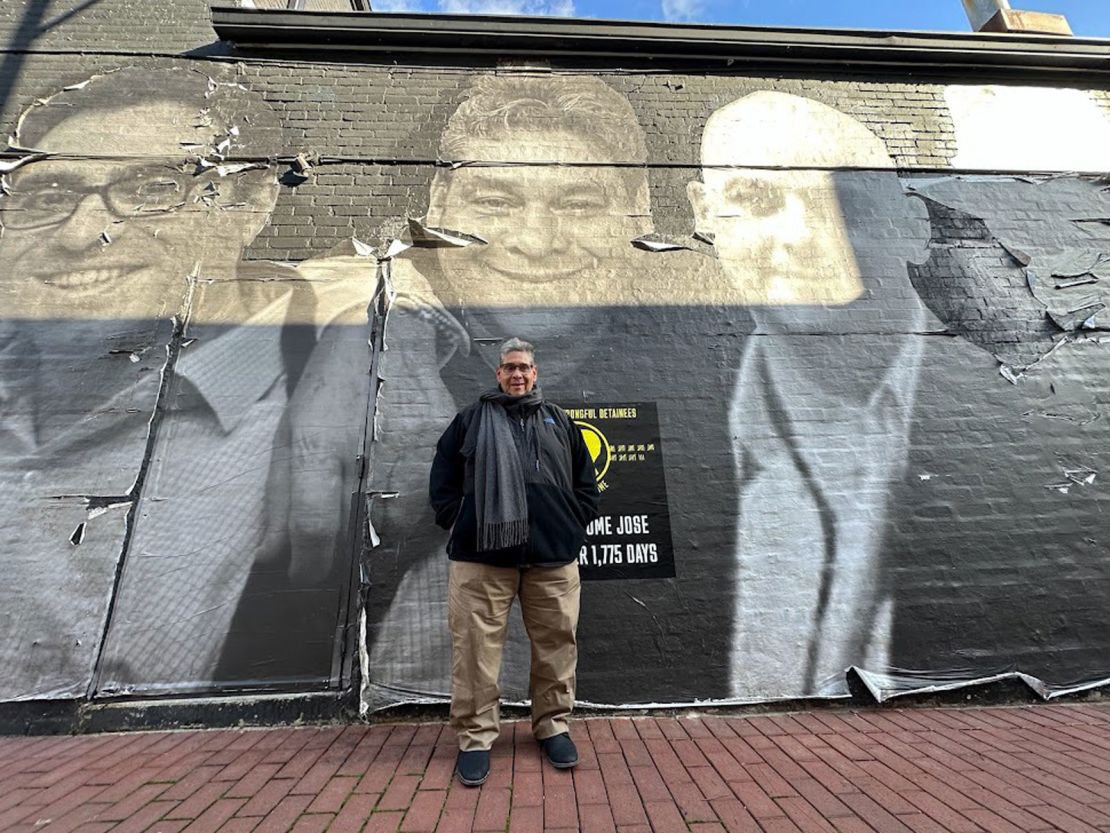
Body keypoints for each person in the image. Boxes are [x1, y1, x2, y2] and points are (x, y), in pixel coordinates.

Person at [0, 66, 319, 699]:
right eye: (46, 197)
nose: (79, 233)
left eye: (151, 188)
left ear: (251, 203)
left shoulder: (342, 410)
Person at [688, 91, 933, 699]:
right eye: (757, 199)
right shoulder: (676, 422)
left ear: (912, 222)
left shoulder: (1015, 413)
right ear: (703, 213)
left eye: (845, 200)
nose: (802, 234)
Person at [429, 338, 599, 785]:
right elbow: (442, 476)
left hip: (552, 558)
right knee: (475, 652)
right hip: (481, 559)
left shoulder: (559, 421)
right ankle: (476, 736)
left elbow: (585, 482)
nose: (517, 375)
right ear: (498, 374)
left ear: (536, 372)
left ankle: (553, 725)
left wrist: (570, 523)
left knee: (557, 645)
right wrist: (459, 517)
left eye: (524, 367)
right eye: (509, 368)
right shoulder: (470, 421)